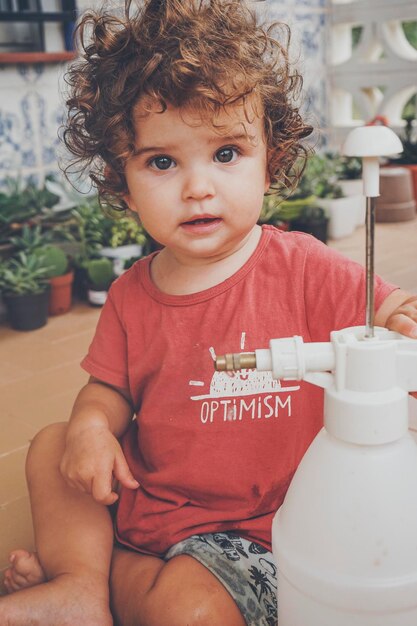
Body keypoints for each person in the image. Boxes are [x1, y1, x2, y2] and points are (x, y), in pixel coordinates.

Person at [1, 1, 417, 625]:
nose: (198, 187)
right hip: (148, 502)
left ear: (270, 158)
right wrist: (91, 428)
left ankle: (92, 577)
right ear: (122, 180)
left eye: (226, 154)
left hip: (258, 530)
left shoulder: (305, 265)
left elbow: (390, 307)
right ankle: (82, 587)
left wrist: (402, 322)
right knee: (52, 445)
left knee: (189, 610)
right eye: (162, 162)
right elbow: (107, 388)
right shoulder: (131, 294)